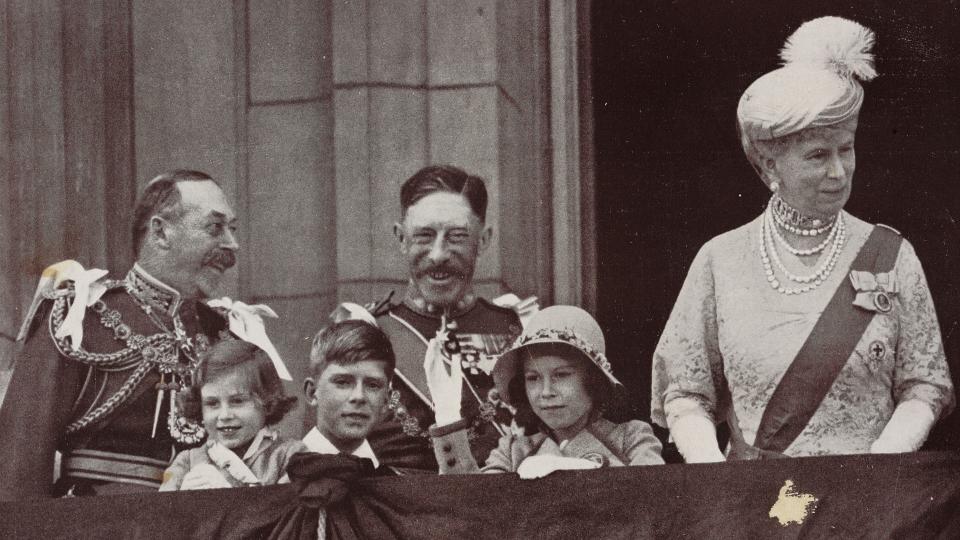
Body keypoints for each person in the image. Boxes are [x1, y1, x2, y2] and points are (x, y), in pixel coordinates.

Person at [651, 17, 955, 462]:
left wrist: (877, 467)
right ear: (771, 165)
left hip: (867, 507)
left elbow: (925, 385)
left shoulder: (892, 255)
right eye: (817, 155)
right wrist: (717, 479)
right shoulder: (721, 259)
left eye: (846, 148)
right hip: (751, 510)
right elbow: (685, 393)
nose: (838, 171)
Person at [0, 170, 283, 499]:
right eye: (214, 228)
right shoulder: (80, 319)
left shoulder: (226, 332)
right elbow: (18, 471)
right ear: (161, 232)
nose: (231, 245)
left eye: (231, 230)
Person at [334, 165, 531, 472]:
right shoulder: (364, 333)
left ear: (483, 240)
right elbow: (328, 452)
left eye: (456, 237)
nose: (438, 254)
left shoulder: (520, 329)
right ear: (401, 238)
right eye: (424, 236)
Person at [427, 305, 663, 475]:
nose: (545, 391)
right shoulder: (513, 451)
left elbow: (654, 501)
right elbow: (472, 506)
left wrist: (575, 467)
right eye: (533, 378)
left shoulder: (631, 439)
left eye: (561, 375)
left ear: (594, 381)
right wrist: (447, 415)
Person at [159, 340, 304, 490]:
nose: (224, 415)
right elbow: (159, 512)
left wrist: (227, 494)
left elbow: (290, 512)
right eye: (212, 403)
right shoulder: (187, 461)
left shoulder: (291, 457)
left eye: (237, 401)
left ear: (267, 403)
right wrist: (181, 501)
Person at [301, 320, 395, 472]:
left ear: (386, 400)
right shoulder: (278, 477)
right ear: (312, 393)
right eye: (343, 382)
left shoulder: (392, 482)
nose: (359, 397)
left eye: (373, 385)